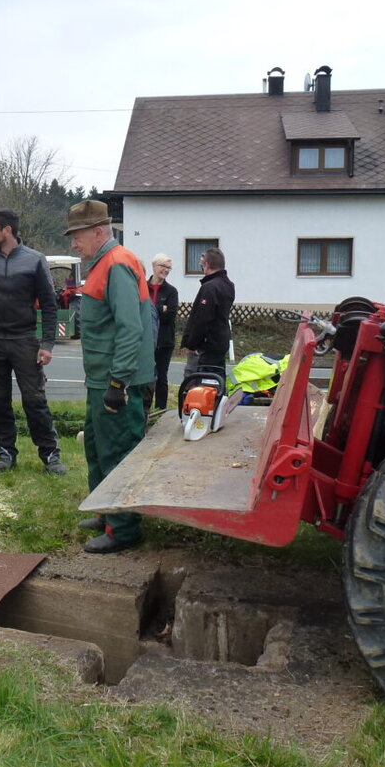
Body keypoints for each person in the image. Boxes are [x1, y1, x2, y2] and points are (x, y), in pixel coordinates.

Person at [65, 200, 155, 554]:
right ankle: (105, 510)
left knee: (118, 452)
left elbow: (130, 329)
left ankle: (124, 529)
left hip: (118, 381)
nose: (74, 244)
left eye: (78, 236)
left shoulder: (117, 264)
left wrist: (119, 382)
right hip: (101, 379)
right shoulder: (104, 263)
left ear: (99, 232)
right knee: (97, 447)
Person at [0, 209, 67, 475]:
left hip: (24, 340)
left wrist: (47, 344)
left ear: (7, 230)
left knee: (35, 400)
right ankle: (5, 453)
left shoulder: (35, 260)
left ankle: (50, 455)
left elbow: (49, 304)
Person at [181, 247, 235, 376]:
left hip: (206, 347)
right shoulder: (229, 285)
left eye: (202, 266)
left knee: (195, 380)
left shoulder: (209, 287)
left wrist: (193, 344)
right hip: (220, 343)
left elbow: (202, 319)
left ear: (207, 265)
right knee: (215, 379)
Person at [145, 253, 178, 411]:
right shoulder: (143, 288)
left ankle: (160, 410)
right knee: (145, 376)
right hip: (145, 340)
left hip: (164, 341)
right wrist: (161, 309)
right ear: (154, 266)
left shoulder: (171, 291)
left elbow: (170, 316)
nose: (166, 270)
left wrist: (152, 310)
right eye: (163, 266)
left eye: (168, 268)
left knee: (161, 377)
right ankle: (144, 409)